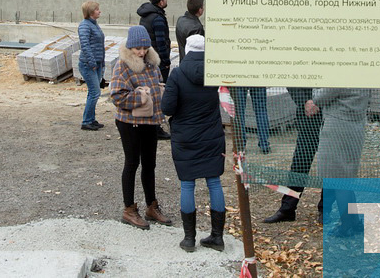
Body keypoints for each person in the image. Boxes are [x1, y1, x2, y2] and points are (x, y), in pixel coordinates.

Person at [161, 34, 227, 253]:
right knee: (214, 182)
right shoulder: (214, 73)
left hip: (186, 137)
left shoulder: (177, 74)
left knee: (188, 184)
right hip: (211, 135)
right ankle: (217, 237)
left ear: (187, 49)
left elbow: (167, 108)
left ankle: (189, 239)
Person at [110, 25, 173, 230]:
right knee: (131, 163)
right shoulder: (122, 66)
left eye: (145, 47)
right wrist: (141, 96)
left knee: (150, 164)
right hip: (129, 123)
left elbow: (158, 85)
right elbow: (117, 96)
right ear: (130, 47)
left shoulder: (151, 64)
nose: (141, 52)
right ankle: (129, 209)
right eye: (137, 48)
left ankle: (151, 206)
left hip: (150, 122)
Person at [305, 87, 371, 237]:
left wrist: (316, 89)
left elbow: (320, 97)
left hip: (338, 128)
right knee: (345, 177)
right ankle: (354, 221)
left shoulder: (341, 73)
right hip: (356, 125)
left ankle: (346, 225)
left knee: (336, 180)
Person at [264, 88, 324, 223]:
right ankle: (287, 209)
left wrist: (321, 101)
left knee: (329, 164)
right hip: (308, 116)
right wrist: (305, 101)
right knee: (300, 162)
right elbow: (292, 79)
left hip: (332, 114)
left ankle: (325, 209)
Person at [137, 0, 173, 140]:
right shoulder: (157, 18)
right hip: (156, 60)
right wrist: (165, 61)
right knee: (159, 93)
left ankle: (148, 123)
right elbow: (160, 41)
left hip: (148, 59)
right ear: (160, 2)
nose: (166, 0)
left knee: (150, 92)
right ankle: (157, 127)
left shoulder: (146, 15)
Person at [77, 0, 105, 131]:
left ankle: (91, 119)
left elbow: (99, 46)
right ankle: (86, 121)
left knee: (92, 92)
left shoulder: (94, 24)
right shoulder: (84, 26)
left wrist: (101, 63)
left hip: (97, 64)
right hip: (89, 65)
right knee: (95, 92)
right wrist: (92, 62)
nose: (99, 11)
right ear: (90, 12)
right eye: (97, 9)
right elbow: (85, 45)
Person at [229, 87, 272, 154]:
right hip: (257, 80)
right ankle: (264, 145)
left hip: (239, 80)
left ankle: (240, 146)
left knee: (238, 113)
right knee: (261, 110)